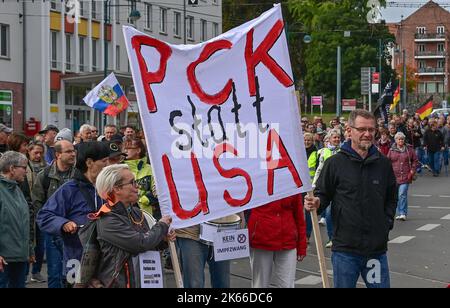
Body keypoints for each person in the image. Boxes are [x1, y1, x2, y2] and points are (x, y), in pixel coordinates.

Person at [304, 109, 397, 288]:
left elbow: (391, 198)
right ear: (349, 130)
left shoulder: (383, 164)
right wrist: (316, 203)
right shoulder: (335, 163)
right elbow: (323, 195)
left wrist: (385, 224)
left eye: (371, 130)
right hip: (345, 250)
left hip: (375, 251)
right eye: (362, 129)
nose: (367, 134)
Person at [79, 164, 174, 288]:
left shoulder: (136, 212)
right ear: (117, 188)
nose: (137, 186)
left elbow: (148, 245)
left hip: (144, 281)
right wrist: (162, 226)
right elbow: (140, 243)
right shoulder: (107, 220)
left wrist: (163, 240)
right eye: (133, 182)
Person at [37, 142, 110, 287]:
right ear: (89, 163)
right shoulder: (70, 189)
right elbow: (44, 216)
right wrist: (63, 223)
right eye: (104, 161)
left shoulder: (109, 189)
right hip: (76, 260)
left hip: (106, 263)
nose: (108, 165)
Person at [32, 140, 77, 288]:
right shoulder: (44, 175)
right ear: (58, 154)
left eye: (73, 151)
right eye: (69, 151)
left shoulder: (79, 174)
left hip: (76, 231)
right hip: (53, 233)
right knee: (55, 272)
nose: (73, 154)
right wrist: (49, 225)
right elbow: (37, 203)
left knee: (74, 274)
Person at [248, 195, 307, 288]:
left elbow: (299, 214)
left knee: (287, 285)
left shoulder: (292, 181)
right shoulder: (257, 180)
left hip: (287, 240)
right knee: (260, 285)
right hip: (261, 240)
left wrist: (302, 245)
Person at [0, 151, 34, 288]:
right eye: (24, 168)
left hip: (19, 257)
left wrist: (29, 250)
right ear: (12, 169)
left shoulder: (16, 189)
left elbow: (23, 222)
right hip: (4, 261)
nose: (26, 172)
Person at [312, 129, 342, 248]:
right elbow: (319, 169)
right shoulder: (323, 152)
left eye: (338, 137)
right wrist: (314, 184)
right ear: (329, 139)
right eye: (334, 137)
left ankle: (339, 236)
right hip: (327, 186)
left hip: (339, 187)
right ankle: (332, 238)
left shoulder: (343, 151)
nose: (337, 139)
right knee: (329, 213)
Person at [387, 132, 418, 221]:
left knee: (402, 194)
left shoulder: (409, 149)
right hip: (394, 176)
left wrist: (412, 170)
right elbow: (387, 161)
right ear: (396, 140)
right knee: (396, 195)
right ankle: (399, 212)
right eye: (399, 139)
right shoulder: (391, 150)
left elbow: (415, 160)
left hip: (406, 176)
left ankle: (403, 213)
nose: (401, 140)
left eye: (402, 139)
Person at [124, 138, 158, 216]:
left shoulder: (150, 169)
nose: (125, 151)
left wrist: (146, 199)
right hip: (126, 214)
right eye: (125, 148)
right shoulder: (122, 169)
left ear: (138, 150)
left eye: (129, 148)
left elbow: (158, 190)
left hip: (147, 215)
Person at [303, 133, 318, 242]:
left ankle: (307, 235)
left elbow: (318, 170)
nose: (307, 142)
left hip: (311, 187)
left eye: (309, 140)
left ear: (312, 141)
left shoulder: (317, 153)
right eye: (305, 140)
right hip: (299, 186)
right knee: (298, 211)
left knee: (309, 212)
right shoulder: (298, 152)